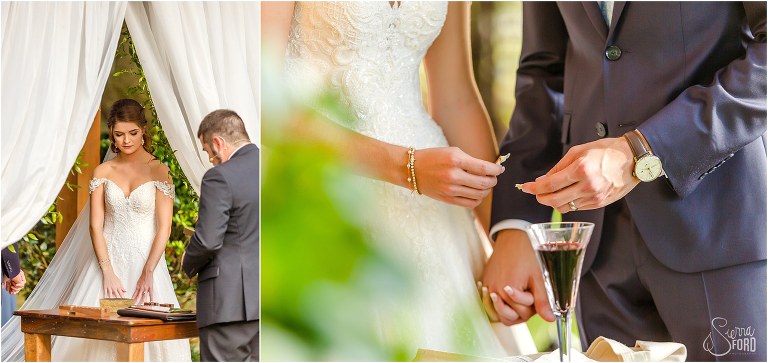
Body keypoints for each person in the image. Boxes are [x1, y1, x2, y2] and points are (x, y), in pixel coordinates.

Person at [483, 2, 766, 361]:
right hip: (596, 249)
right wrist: (518, 225)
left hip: (717, 226)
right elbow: (544, 73)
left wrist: (641, 152)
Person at [263, 1, 535, 358]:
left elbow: (456, 99)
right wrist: (407, 168)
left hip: (435, 206)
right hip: (329, 190)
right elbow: (266, 101)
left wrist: (502, 239)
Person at [0, 99, 191, 361]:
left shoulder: (159, 171)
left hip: (146, 265)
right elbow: (95, 225)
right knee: (89, 338)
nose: (126, 141)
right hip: (104, 264)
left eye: (133, 133)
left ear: (143, 131)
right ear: (111, 133)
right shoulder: (103, 171)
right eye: (119, 134)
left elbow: (164, 227)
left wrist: (148, 272)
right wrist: (107, 270)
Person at [183, 109, 259, 361]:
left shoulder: (220, 177)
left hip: (228, 303)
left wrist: (188, 261)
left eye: (207, 152)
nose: (210, 160)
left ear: (218, 142)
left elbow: (207, 240)